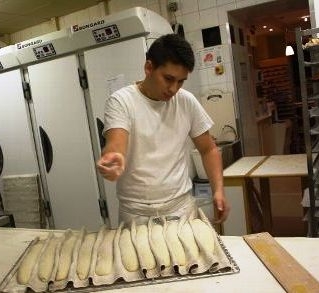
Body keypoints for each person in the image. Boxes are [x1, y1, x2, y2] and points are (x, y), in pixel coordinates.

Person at [96, 33, 229, 225]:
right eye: (168, 79)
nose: (174, 89)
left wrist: (218, 190)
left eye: (181, 81)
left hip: (181, 208)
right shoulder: (121, 101)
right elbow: (116, 143)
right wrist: (113, 157)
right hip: (137, 214)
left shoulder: (186, 101)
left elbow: (208, 149)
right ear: (149, 67)